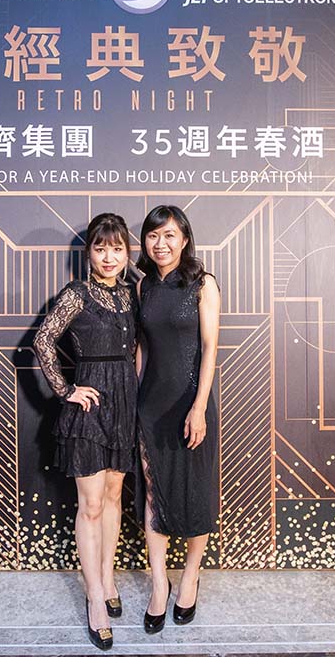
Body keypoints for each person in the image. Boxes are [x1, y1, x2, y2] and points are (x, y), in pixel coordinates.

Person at [32, 213, 137, 651]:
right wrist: (66, 390)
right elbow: (42, 341)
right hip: (90, 409)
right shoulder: (77, 294)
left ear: (127, 252)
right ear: (89, 252)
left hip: (126, 406)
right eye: (100, 248)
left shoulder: (132, 294)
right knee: (91, 505)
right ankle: (94, 596)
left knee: (113, 498)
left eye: (117, 248)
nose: (109, 257)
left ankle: (108, 579)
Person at [134, 205, 220, 633]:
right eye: (153, 236)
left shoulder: (203, 283)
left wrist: (199, 406)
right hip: (150, 406)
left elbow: (209, 346)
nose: (160, 244)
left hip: (190, 402)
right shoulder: (143, 286)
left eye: (169, 235)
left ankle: (189, 577)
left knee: (194, 491)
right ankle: (158, 584)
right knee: (155, 494)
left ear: (184, 239)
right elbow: (142, 349)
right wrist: (133, 402)